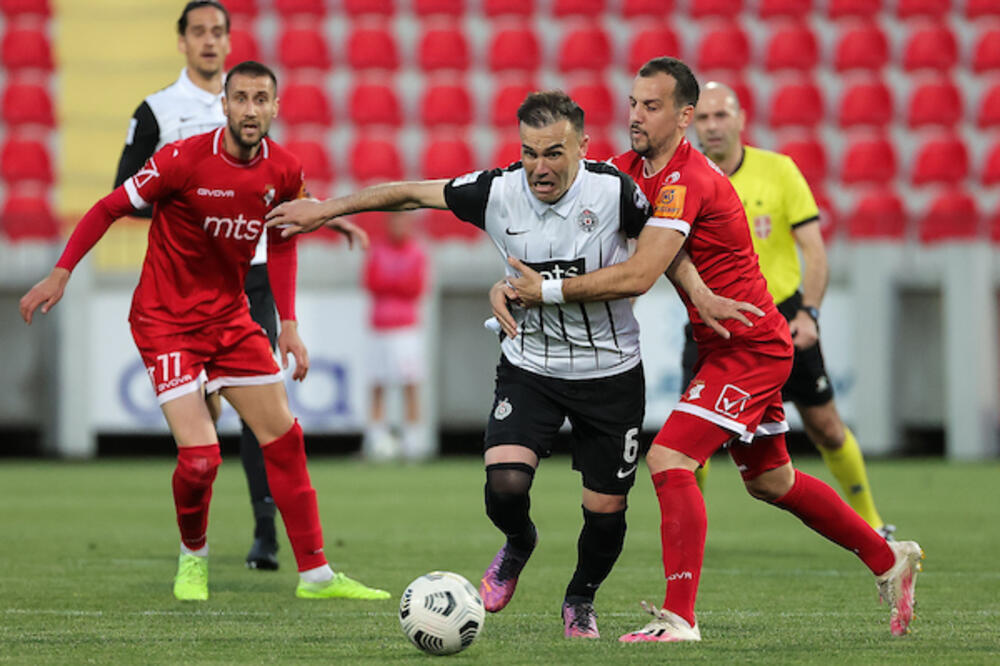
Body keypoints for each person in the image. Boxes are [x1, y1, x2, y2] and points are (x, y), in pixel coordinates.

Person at [264, 90, 755, 638]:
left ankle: (580, 598)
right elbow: (408, 195)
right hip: (531, 366)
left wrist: (701, 293)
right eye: (528, 153)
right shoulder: (497, 191)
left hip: (610, 371)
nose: (539, 168)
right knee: (505, 484)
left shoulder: (617, 190)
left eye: (553, 153)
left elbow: (664, 249)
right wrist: (325, 209)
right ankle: (520, 542)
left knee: (606, 510)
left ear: (582, 147)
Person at [502, 58, 922, 642]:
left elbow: (644, 267)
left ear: (684, 116)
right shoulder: (633, 169)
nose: (636, 116)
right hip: (721, 342)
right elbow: (625, 219)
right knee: (771, 481)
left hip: (751, 344)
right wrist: (698, 288)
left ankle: (680, 618)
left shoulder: (688, 178)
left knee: (670, 459)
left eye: (651, 106)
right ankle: (888, 559)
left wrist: (545, 290)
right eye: (632, 103)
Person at [20, 60, 389, 603]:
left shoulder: (284, 170)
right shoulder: (181, 159)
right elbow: (109, 206)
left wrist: (288, 324)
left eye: (261, 99)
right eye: (240, 98)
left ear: (275, 107)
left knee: (284, 439)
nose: (250, 109)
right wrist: (62, 270)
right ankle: (192, 559)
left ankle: (316, 575)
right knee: (201, 458)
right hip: (165, 321)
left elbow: (283, 239)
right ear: (224, 103)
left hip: (230, 319)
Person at [113, 0, 283, 570]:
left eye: (218, 32)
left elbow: (277, 191)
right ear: (182, 42)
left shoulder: (247, 104)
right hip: (189, 288)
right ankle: (197, 544)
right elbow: (127, 191)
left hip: (251, 278)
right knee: (202, 425)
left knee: (265, 411)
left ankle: (265, 534)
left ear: (230, 42)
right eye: (198, 33)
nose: (209, 41)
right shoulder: (159, 111)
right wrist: (194, 210)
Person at [690, 81, 893, 538]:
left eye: (721, 115)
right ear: (691, 124)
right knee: (691, 440)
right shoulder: (687, 178)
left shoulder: (779, 171)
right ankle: (689, 533)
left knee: (826, 426)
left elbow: (815, 252)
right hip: (712, 318)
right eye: (703, 118)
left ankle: (874, 523)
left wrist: (810, 314)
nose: (713, 126)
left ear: (741, 118)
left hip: (779, 315)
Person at [361, 212, 430, 462]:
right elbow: (370, 281)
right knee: (377, 382)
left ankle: (413, 441)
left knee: (410, 383)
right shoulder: (377, 250)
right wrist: (396, 283)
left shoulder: (417, 252)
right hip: (380, 325)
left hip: (405, 327)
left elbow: (416, 286)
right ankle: (375, 439)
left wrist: (390, 283)